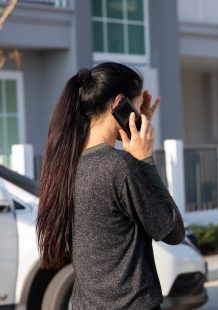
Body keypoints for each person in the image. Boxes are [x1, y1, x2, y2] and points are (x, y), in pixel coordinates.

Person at [36, 62, 184, 310]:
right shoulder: (119, 166)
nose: (139, 116)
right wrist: (145, 160)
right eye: (136, 107)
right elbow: (173, 230)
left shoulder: (65, 166)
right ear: (119, 105)